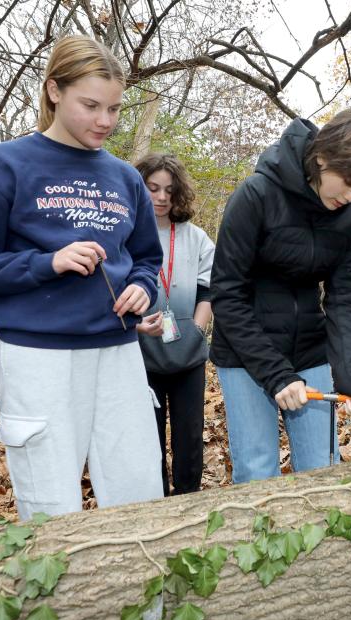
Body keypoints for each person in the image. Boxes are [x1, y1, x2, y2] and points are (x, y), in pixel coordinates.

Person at [0, 35, 165, 521]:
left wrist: (143, 288)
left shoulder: (125, 178)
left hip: (118, 354)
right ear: (54, 91)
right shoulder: (0, 166)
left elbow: (147, 258)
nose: (105, 121)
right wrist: (48, 262)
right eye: (91, 105)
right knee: (50, 505)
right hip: (38, 357)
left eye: (115, 109)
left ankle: (146, 599)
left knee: (139, 494)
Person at [211, 106, 351, 483]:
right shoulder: (256, 195)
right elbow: (227, 295)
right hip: (245, 352)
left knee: (322, 467)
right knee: (256, 470)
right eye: (349, 181)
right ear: (323, 156)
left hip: (308, 349)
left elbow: (344, 298)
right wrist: (277, 375)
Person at [135, 153, 214, 495]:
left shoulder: (195, 237)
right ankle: (156, 503)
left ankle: (188, 501)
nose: (162, 197)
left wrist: (197, 327)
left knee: (189, 433)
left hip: (188, 351)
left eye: (169, 190)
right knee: (146, 434)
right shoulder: (127, 233)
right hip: (139, 350)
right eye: (153, 188)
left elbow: (210, 289)